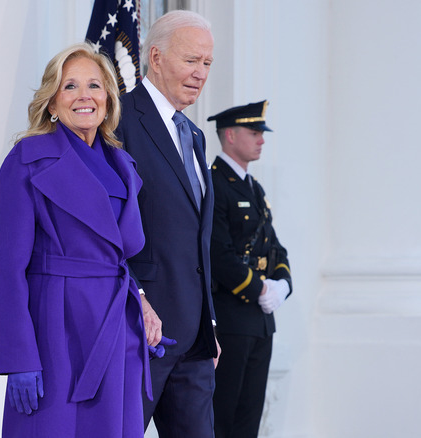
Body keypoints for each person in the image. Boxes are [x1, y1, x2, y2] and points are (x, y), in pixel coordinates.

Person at [0, 42, 155, 438]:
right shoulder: (27, 159)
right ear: (51, 102)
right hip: (57, 333)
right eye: (70, 86)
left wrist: (143, 304)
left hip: (117, 329)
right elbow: (8, 268)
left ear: (108, 99)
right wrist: (19, 357)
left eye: (95, 86)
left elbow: (119, 257)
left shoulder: (123, 164)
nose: (85, 96)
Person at [115, 10, 222, 437]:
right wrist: (137, 299)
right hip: (141, 330)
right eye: (191, 60)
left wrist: (209, 323)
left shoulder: (193, 134)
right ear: (155, 58)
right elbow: (107, 227)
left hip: (194, 341)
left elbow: (197, 238)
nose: (200, 74)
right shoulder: (117, 120)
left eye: (207, 64)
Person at [207, 100, 292, 438]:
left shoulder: (254, 189)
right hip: (231, 318)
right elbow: (218, 254)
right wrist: (260, 289)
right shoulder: (215, 184)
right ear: (230, 135)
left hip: (260, 322)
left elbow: (274, 247)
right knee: (223, 416)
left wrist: (283, 284)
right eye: (254, 133)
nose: (261, 140)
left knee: (249, 421)